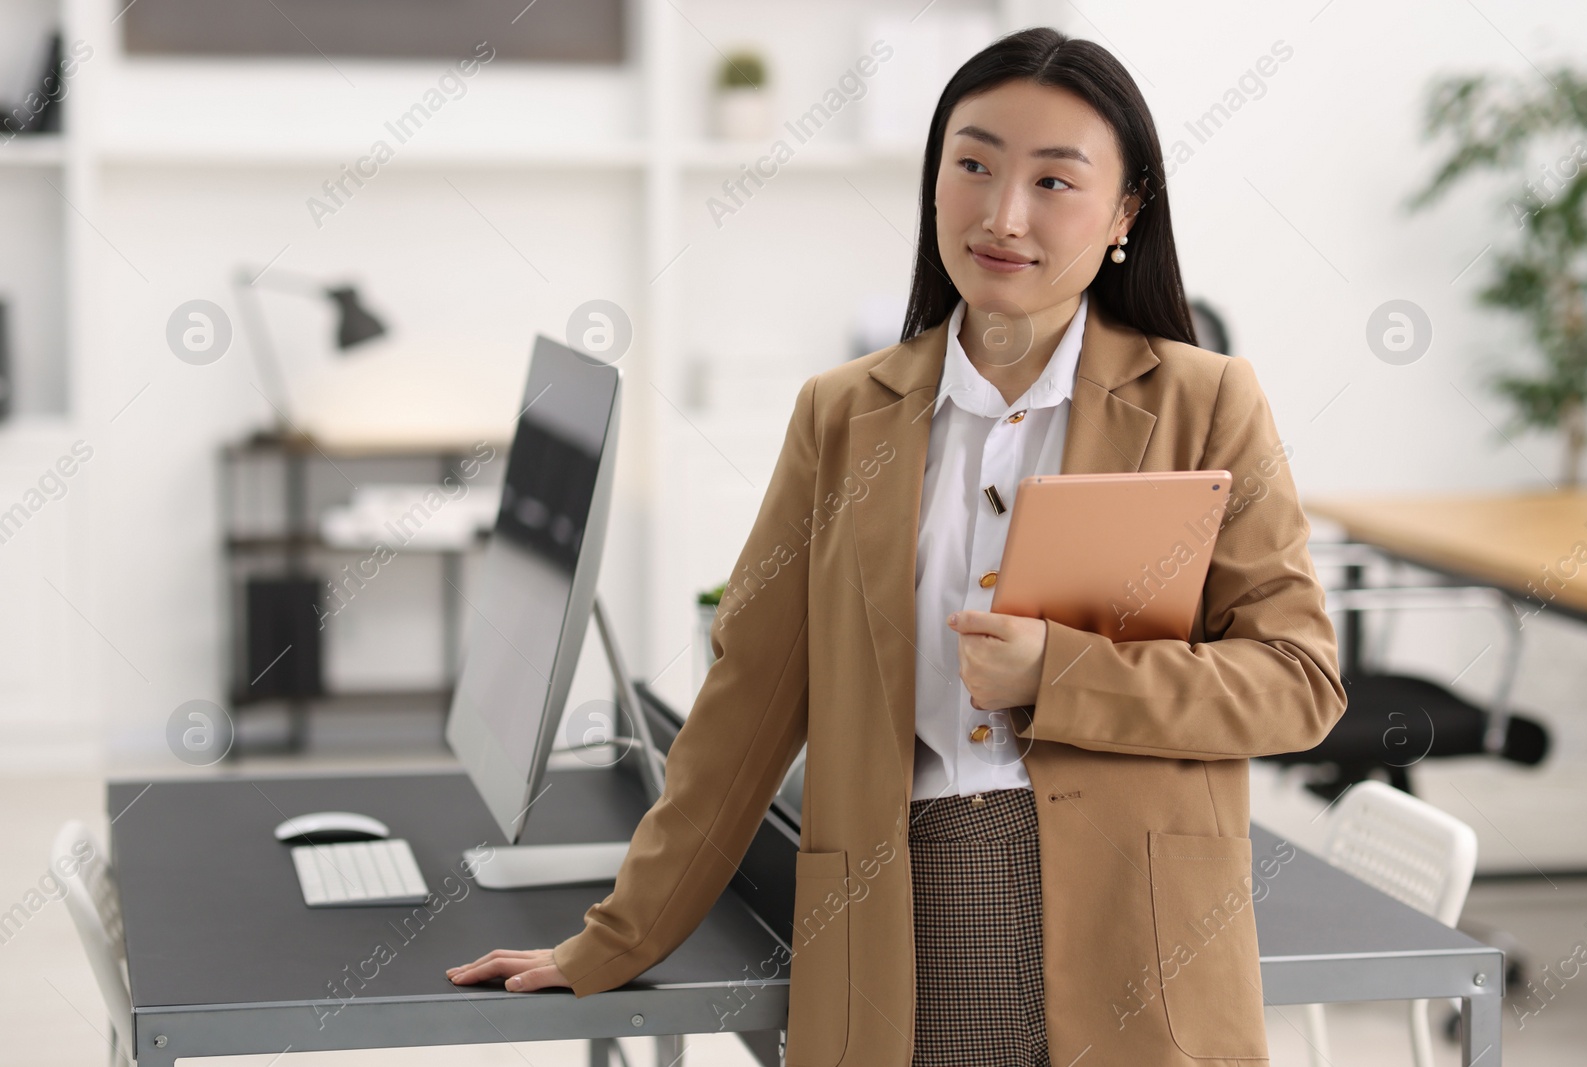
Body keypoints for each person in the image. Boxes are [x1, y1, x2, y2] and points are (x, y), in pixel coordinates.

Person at [448, 26, 1346, 1067]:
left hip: (1135, 923)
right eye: (972, 165)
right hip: (898, 901)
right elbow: (747, 704)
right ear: (933, 185)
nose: (1002, 214)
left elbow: (1296, 681)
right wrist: (615, 938)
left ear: (1125, 214)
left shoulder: (1205, 403)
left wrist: (1061, 672)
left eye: (1055, 181)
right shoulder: (842, 416)